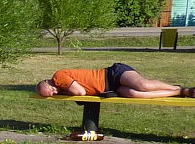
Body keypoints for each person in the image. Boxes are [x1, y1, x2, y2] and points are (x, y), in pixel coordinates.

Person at [36, 63, 191, 99]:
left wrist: (62, 90)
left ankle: (178, 88)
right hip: (112, 89)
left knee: (143, 85)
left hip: (113, 74)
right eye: (52, 94)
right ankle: (179, 92)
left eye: (52, 90)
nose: (55, 92)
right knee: (137, 95)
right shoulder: (59, 86)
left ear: (47, 81)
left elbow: (80, 92)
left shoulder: (59, 77)